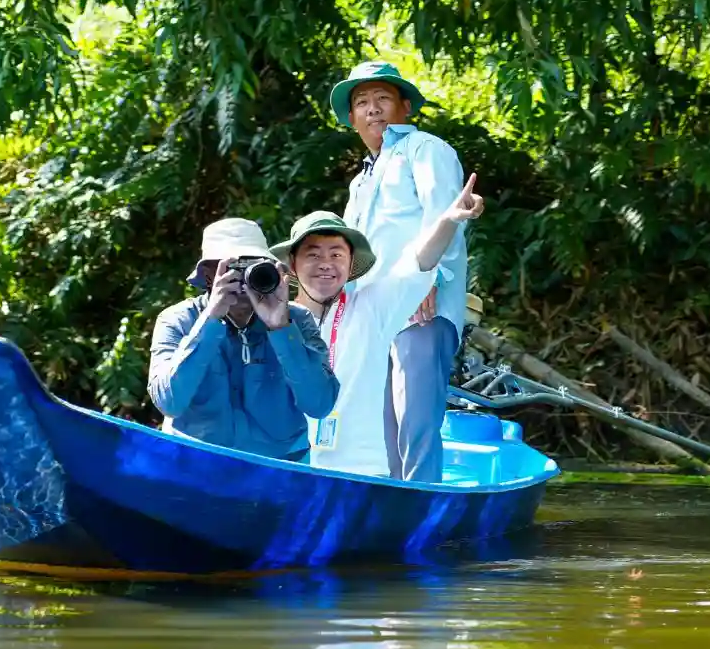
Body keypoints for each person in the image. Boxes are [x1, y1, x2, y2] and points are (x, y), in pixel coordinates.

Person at [273, 175, 485, 477]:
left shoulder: (372, 307)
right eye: (313, 254)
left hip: (364, 475)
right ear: (292, 265)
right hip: (291, 470)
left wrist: (449, 219)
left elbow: (417, 263)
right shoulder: (274, 320)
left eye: (336, 254)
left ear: (349, 264)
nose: (325, 263)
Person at [330, 60, 468, 483]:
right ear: (352, 119)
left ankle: (420, 516)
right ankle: (390, 512)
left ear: (404, 107)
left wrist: (430, 279)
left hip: (419, 305)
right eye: (362, 102)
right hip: (372, 313)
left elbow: (447, 213)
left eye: (382, 99)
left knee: (415, 423)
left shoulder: (425, 149)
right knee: (379, 424)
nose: (373, 109)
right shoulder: (360, 181)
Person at [146, 217, 340, 461]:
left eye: (251, 268)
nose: (243, 279)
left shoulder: (298, 320)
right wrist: (211, 320)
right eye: (231, 269)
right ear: (208, 275)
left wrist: (280, 328)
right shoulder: (177, 320)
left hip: (279, 467)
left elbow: (320, 404)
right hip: (196, 463)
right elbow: (169, 402)